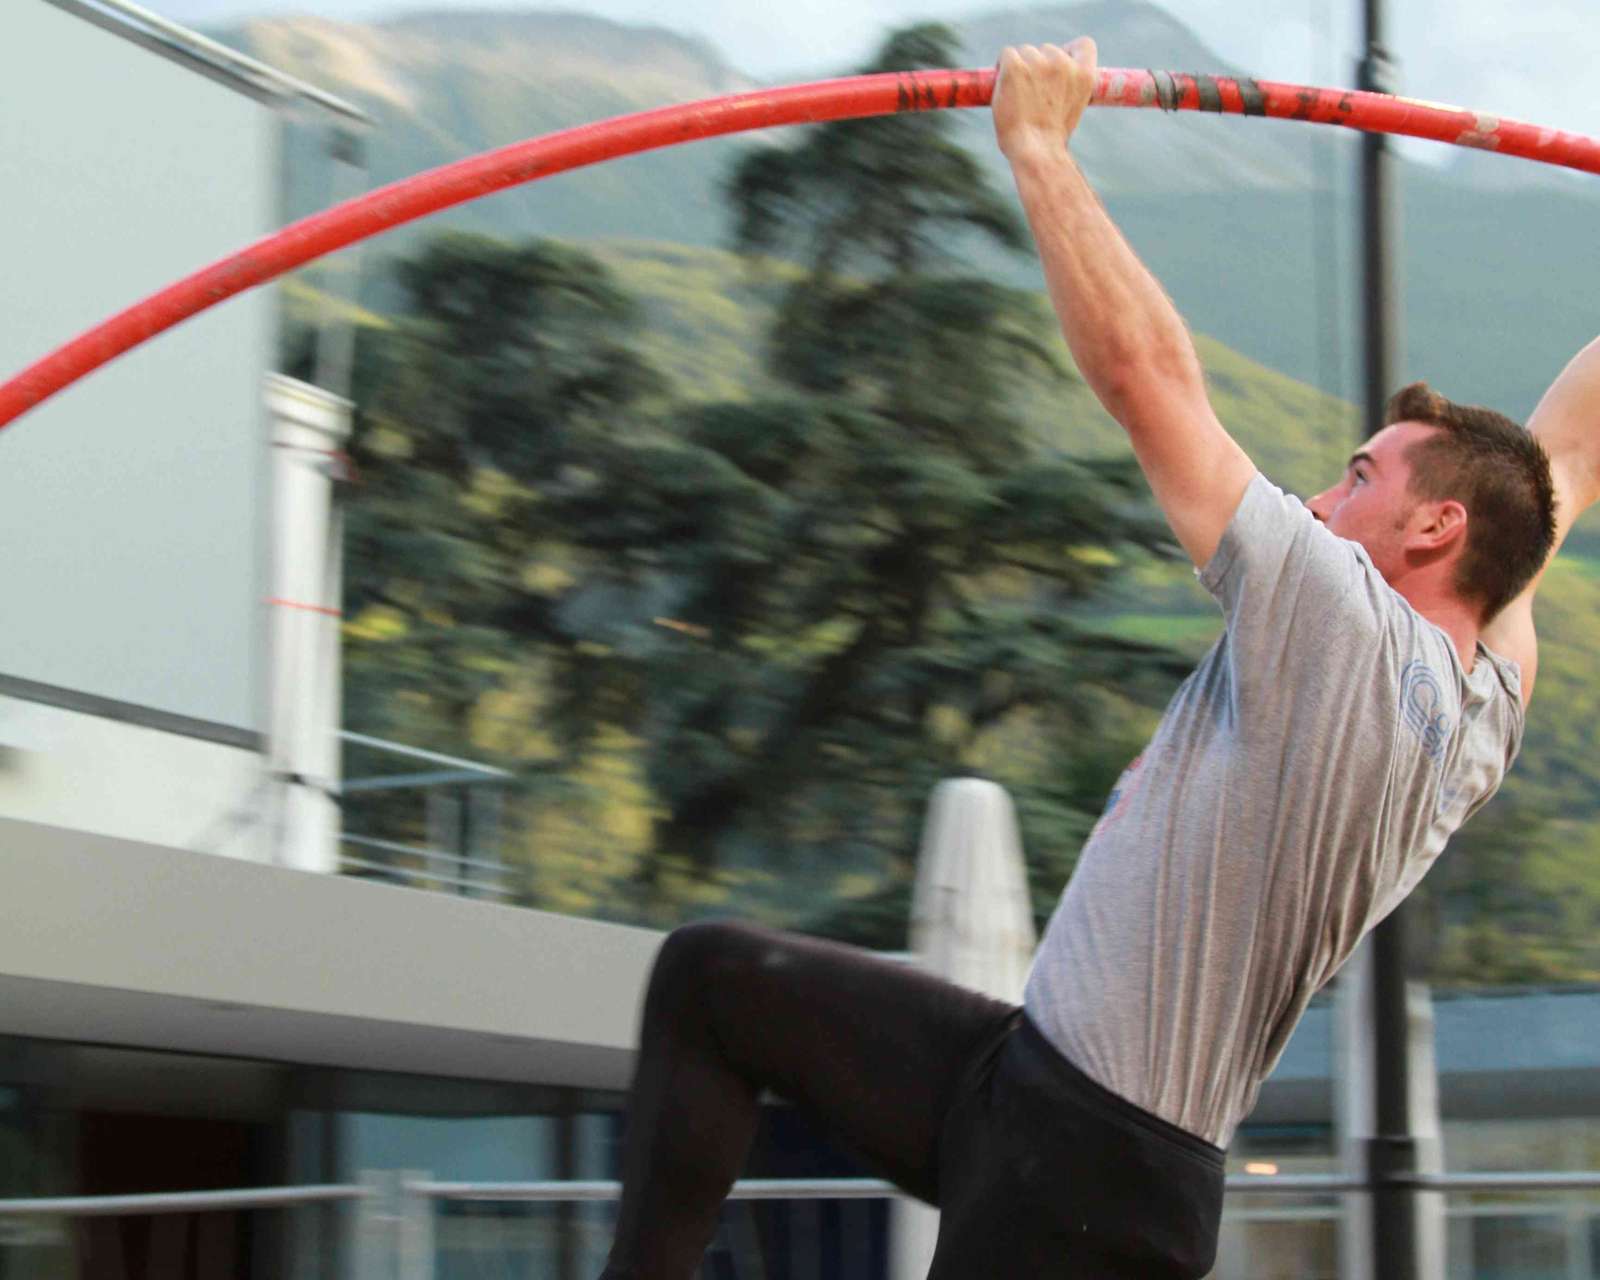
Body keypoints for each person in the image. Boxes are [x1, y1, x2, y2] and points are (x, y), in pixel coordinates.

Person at [597, 39, 1600, 1279]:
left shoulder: (1337, 616)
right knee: (713, 981)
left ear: (1434, 528)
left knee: (714, 983)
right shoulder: (1486, 700)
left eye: (1356, 476)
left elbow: (1144, 374)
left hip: (1090, 1175)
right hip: (1022, 1082)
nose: (1316, 498)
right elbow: (1571, 447)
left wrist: (1037, 146)